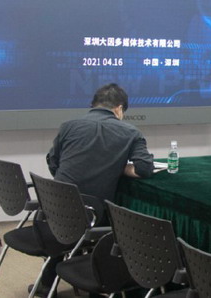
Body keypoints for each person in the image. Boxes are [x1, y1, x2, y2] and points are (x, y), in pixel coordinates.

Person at [33, 83, 154, 296]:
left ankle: (46, 285)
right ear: (119, 109)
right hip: (91, 214)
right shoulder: (131, 132)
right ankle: (97, 287)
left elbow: (53, 162)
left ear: (93, 105)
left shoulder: (68, 126)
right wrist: (120, 167)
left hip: (53, 206)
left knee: (66, 221)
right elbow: (144, 169)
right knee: (119, 222)